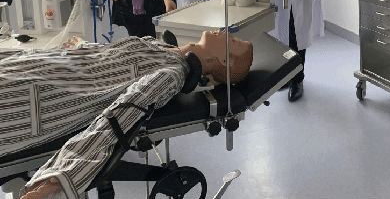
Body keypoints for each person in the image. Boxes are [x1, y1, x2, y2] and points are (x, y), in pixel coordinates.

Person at [2, 30, 253, 199]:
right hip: (28, 67)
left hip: (24, 100)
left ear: (224, 61)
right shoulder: (163, 47)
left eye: (233, 42)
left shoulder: (171, 74)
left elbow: (119, 118)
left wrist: (63, 175)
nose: (226, 32)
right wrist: (84, 48)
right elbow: (113, 58)